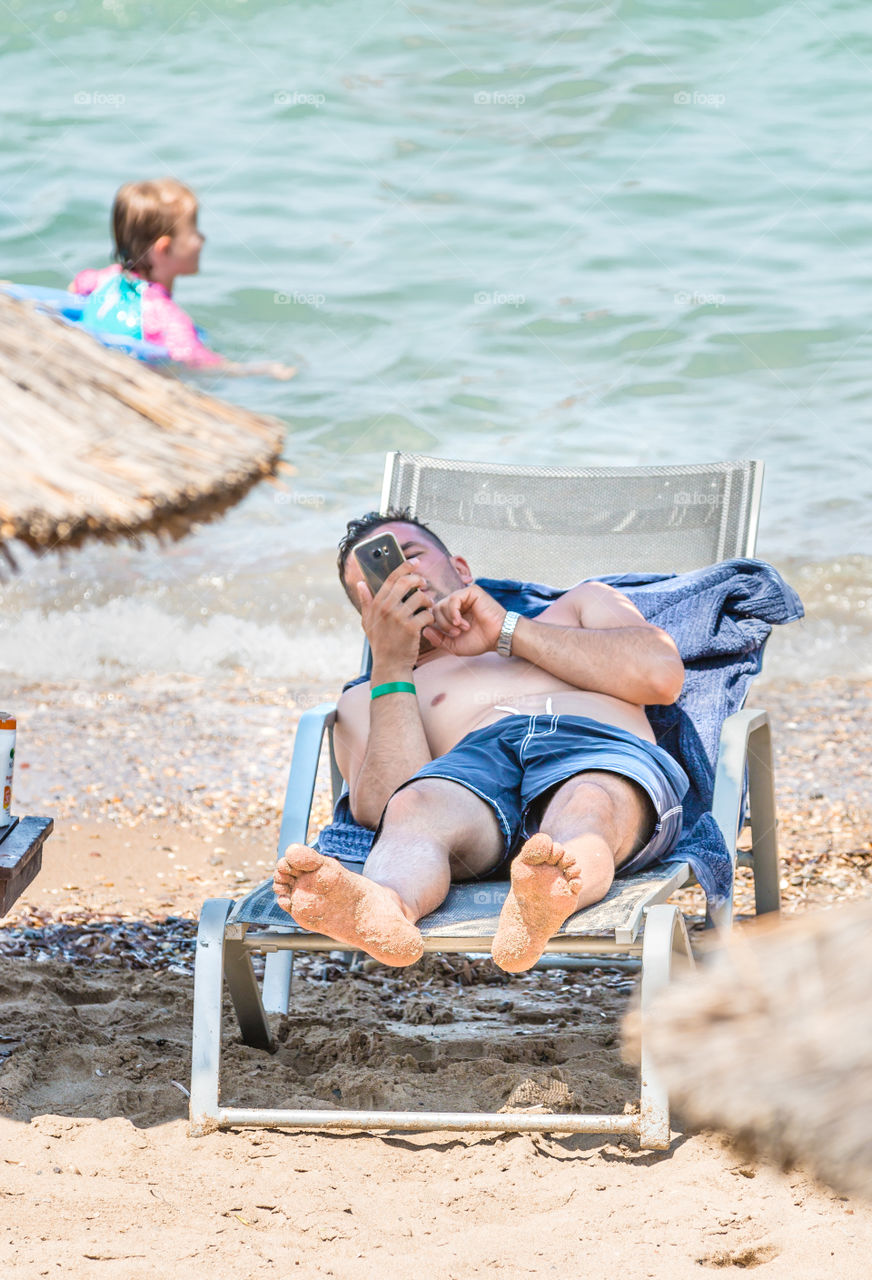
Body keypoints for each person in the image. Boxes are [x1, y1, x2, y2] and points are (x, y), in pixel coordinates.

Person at [274, 509, 688, 973]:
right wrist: (391, 668)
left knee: (590, 800)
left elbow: (661, 676)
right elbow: (383, 807)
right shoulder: (371, 695)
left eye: (410, 556)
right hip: (473, 774)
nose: (400, 579)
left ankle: (547, 894)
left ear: (462, 569)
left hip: (595, 746)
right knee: (416, 809)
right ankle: (386, 910)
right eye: (376, 584)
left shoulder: (576, 606)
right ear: (369, 617)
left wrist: (508, 632)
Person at [70, 178, 295, 378]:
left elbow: (76, 286)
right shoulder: (166, 318)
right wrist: (262, 370)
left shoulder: (100, 279)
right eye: (194, 231)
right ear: (164, 249)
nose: (202, 239)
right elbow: (199, 364)